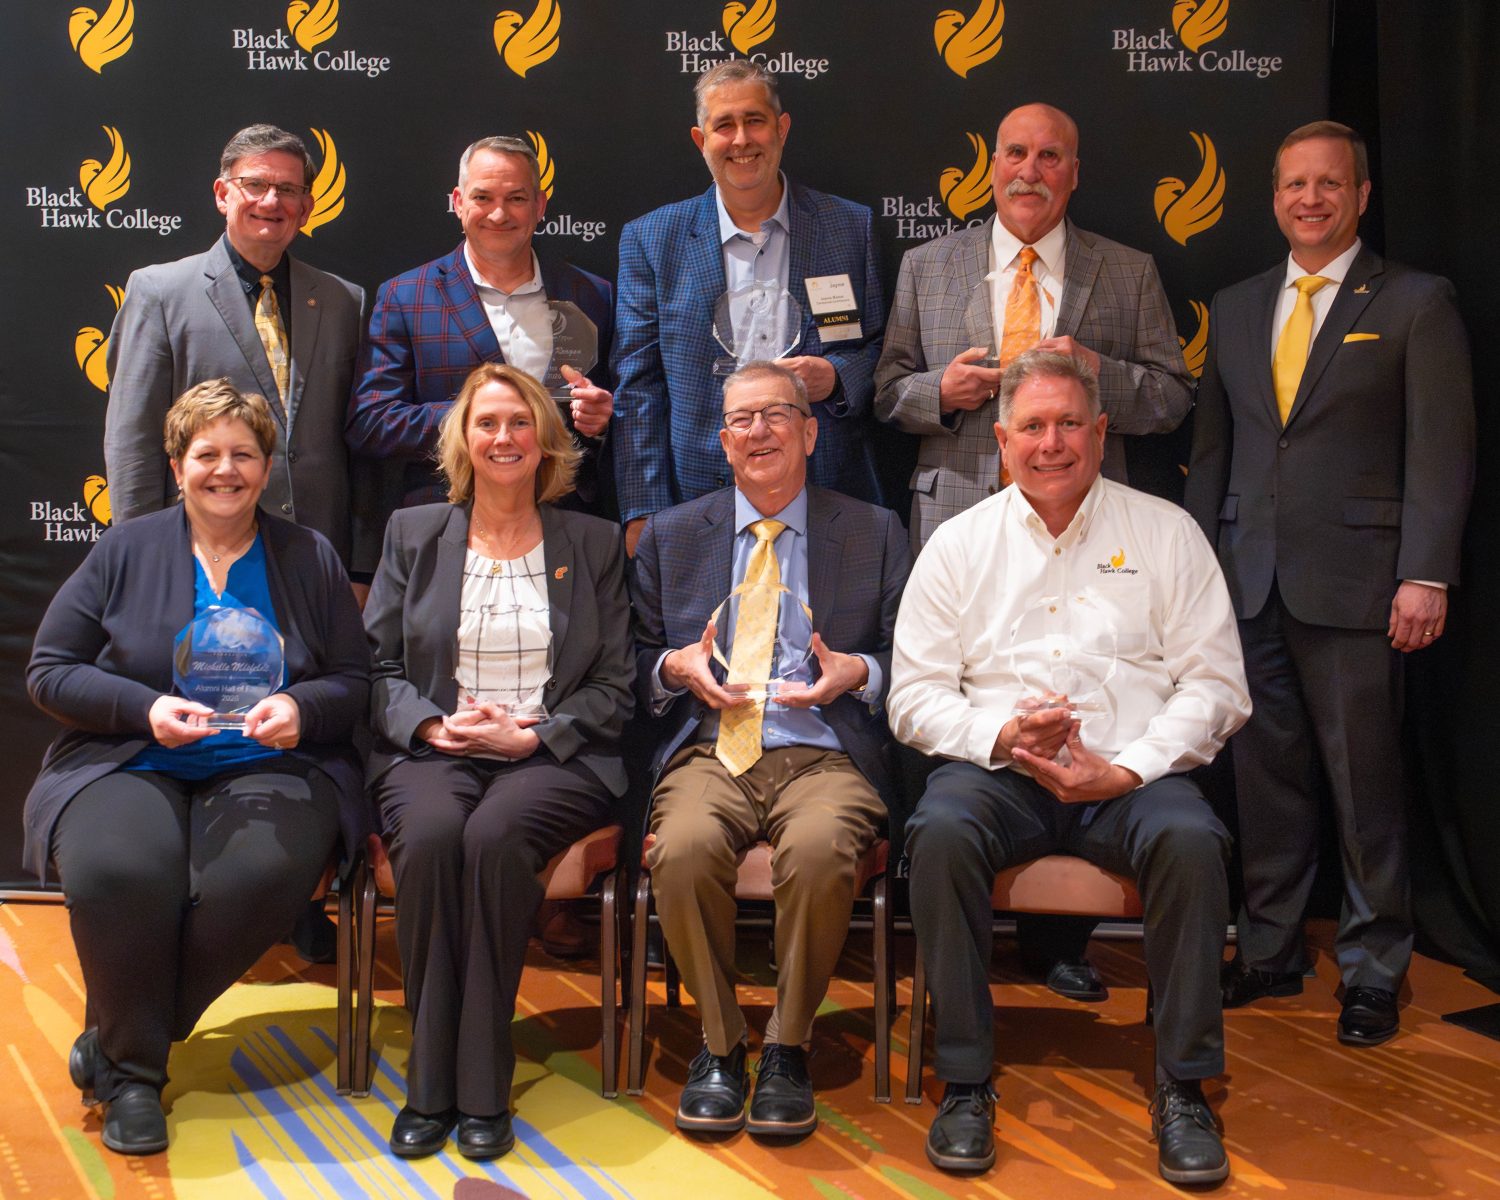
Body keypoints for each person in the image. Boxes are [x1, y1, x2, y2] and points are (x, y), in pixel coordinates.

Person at [889, 350, 1249, 1183]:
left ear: (1100, 431)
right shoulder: (956, 544)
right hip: (999, 775)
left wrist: (1127, 771)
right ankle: (967, 1079)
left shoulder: (1166, 532)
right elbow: (913, 696)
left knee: (1194, 842)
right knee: (938, 833)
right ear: (1004, 440)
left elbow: (1217, 686)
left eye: (1068, 426)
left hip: (1130, 778)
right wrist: (1004, 734)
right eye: (1033, 428)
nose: (1052, 444)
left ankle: (1184, 1082)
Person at [876, 101, 1193, 1000]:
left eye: (1050, 155)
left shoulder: (1125, 273)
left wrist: (1099, 372)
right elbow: (886, 391)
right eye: (1015, 152)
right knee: (951, 721)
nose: (1030, 170)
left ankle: (1060, 942)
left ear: (1074, 172)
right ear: (991, 166)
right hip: (957, 526)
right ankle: (948, 928)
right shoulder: (926, 266)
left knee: (1082, 694)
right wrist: (943, 388)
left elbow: (1171, 396)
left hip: (1086, 526)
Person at [1184, 121, 1475, 1044]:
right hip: (1247, 580)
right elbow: (1214, 453)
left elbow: (1442, 452)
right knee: (1264, 779)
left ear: (1359, 195)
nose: (1309, 199)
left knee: (1365, 781)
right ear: (1273, 196)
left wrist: (1425, 572)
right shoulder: (1234, 305)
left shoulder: (1418, 302)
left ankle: (1373, 966)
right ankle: (1267, 947)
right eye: (1293, 185)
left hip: (1361, 584)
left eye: (1328, 184)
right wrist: (1198, 578)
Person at [26, 380, 371, 1156]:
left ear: (267, 465)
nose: (226, 470)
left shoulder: (307, 555)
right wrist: (144, 709)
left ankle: (118, 1039)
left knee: (254, 877)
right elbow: (50, 670)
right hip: (131, 757)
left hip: (271, 763)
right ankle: (134, 1082)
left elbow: (354, 680)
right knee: (120, 870)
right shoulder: (124, 548)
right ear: (177, 464)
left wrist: (302, 710)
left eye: (243, 453)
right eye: (206, 454)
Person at [630, 362, 909, 1138]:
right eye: (742, 420)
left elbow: (912, 654)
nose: (759, 432)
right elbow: (632, 656)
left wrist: (860, 671)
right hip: (711, 746)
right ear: (722, 442)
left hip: (825, 751)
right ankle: (721, 1048)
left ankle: (788, 1045)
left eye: (777, 415)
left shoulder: (874, 530)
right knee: (680, 850)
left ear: (811, 432)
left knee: (822, 851)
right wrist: (672, 666)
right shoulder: (672, 534)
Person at [363, 362, 634, 1160]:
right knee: (439, 834)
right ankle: (430, 1078)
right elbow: (375, 669)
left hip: (553, 753)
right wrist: (434, 728)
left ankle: (475, 1084)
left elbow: (617, 685)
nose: (504, 438)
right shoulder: (413, 533)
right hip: (435, 747)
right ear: (463, 439)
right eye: (487, 423)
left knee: (492, 839)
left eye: (520, 422)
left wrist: (534, 736)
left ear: (547, 439)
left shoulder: (591, 542)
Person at [613, 60, 886, 555]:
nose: (741, 139)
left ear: (781, 128)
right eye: (724, 125)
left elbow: (877, 349)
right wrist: (642, 510)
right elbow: (639, 387)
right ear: (701, 140)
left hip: (827, 489)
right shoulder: (653, 239)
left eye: (755, 120)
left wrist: (838, 376)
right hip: (696, 495)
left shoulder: (849, 226)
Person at [104, 125, 366, 568]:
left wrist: (360, 567)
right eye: (256, 184)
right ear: (223, 194)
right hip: (196, 550)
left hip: (318, 555)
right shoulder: (158, 293)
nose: (271, 201)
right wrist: (143, 560)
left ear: (306, 208)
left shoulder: (345, 301)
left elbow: (361, 446)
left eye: (288, 189)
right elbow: (133, 441)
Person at [347, 136, 616, 520]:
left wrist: (601, 422)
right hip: (449, 518)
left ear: (539, 206)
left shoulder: (592, 295)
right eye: (483, 198)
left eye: (517, 199)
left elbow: (624, 412)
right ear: (458, 202)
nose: (498, 214)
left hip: (566, 520)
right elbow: (370, 423)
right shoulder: (405, 296)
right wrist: (481, 418)